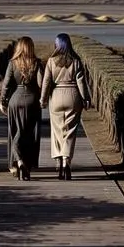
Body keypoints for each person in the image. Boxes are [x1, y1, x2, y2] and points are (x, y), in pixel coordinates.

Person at [40, 33, 90, 180]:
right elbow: (81, 82)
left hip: (56, 97)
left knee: (56, 131)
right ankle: (66, 161)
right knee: (70, 131)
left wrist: (43, 99)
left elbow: (46, 82)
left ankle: (58, 160)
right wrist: (86, 99)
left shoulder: (51, 61)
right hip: (73, 96)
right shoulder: (76, 60)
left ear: (57, 44)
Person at [0, 36, 43, 181]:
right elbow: (41, 84)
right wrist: (42, 98)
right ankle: (27, 164)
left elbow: (6, 84)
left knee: (15, 133)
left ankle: (18, 162)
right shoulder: (37, 63)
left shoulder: (12, 63)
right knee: (29, 135)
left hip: (15, 100)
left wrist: (3, 101)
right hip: (31, 101)